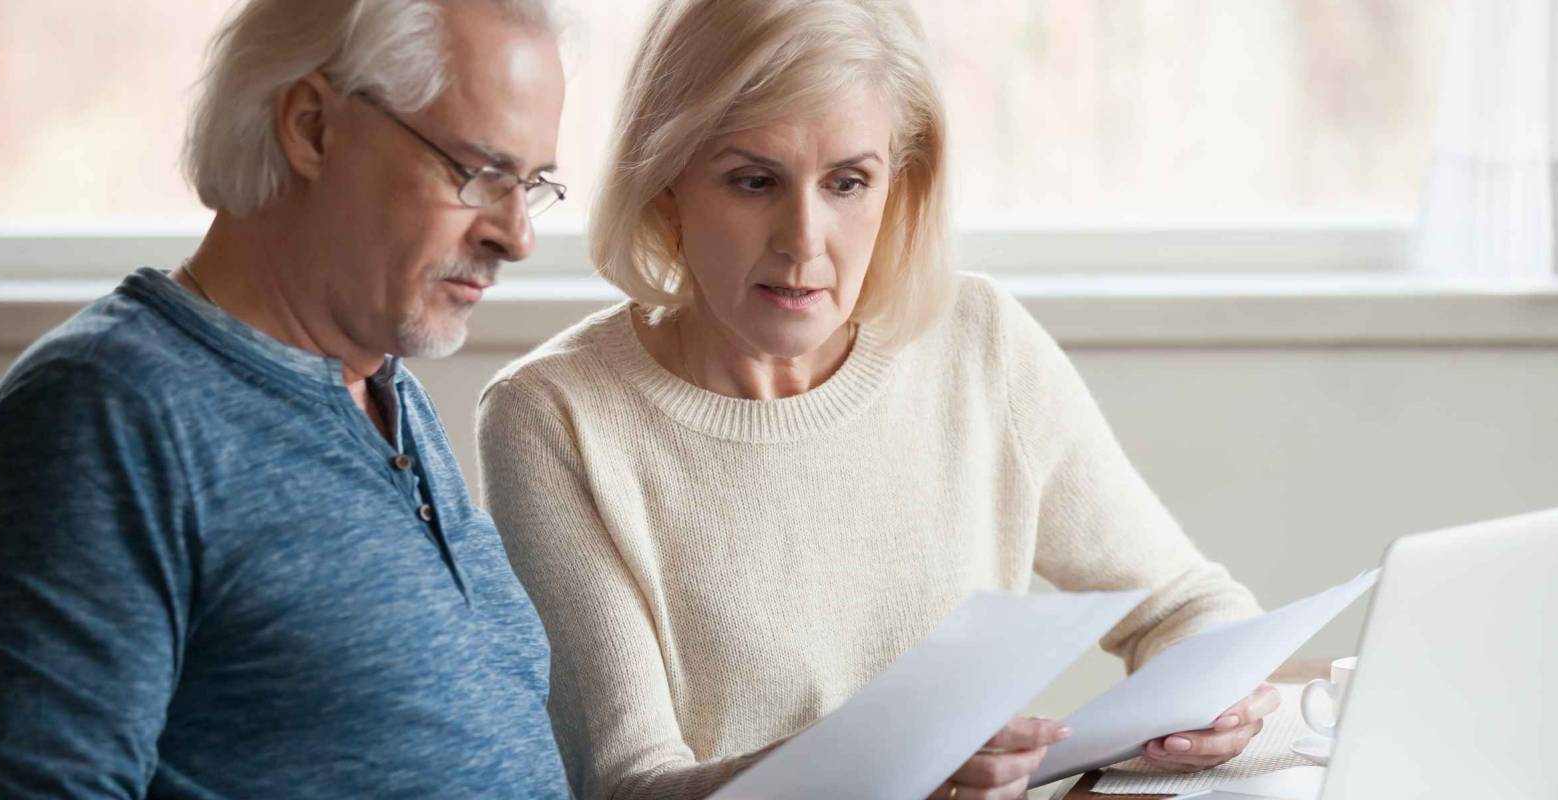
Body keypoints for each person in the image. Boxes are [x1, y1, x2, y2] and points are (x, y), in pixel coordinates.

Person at [476, 0, 1276, 798]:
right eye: (753, 181)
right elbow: (628, 784)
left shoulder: (979, 340)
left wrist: (1216, 697)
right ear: (664, 189)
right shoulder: (552, 416)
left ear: (900, 184)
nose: (804, 240)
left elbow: (1191, 605)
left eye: (848, 182)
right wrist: (868, 766)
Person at [0, 0, 572, 796]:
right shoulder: (104, 416)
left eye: (532, 184)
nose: (517, 236)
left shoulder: (382, 392)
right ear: (311, 128)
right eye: (480, 174)